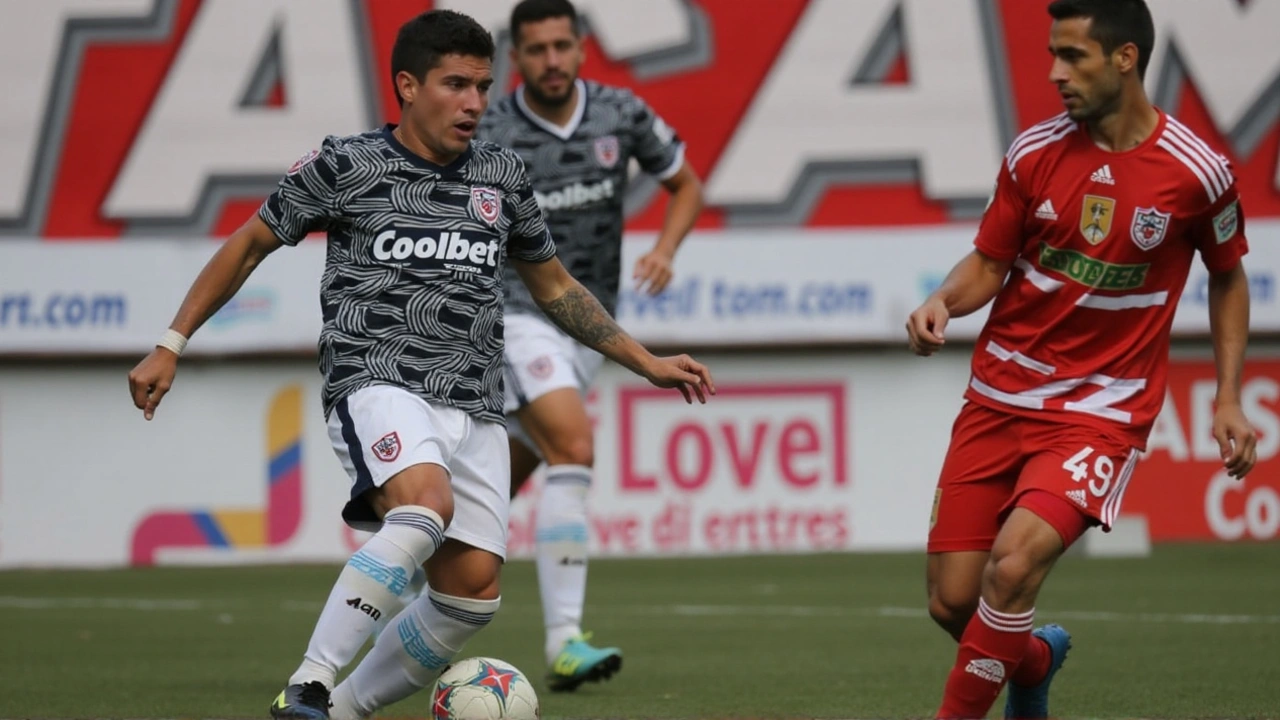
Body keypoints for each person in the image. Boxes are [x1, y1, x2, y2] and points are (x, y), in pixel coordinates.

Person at [126, 9, 714, 720]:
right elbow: (251, 244)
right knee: (423, 506)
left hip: (476, 403)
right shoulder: (347, 163)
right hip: (377, 378)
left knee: (470, 595)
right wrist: (172, 340)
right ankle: (309, 681)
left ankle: (335, 712)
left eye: (481, 86)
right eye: (455, 85)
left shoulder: (501, 174)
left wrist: (644, 360)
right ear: (407, 85)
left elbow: (553, 285)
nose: (473, 103)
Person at [904, 1, 1256, 718]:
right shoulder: (1033, 153)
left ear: (1125, 58)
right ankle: (1033, 662)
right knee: (954, 604)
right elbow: (988, 263)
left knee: (1013, 564)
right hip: (999, 395)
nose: (1055, 73)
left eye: (1074, 56)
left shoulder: (1198, 172)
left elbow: (1227, 275)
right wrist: (944, 299)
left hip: (1101, 410)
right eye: (1053, 55)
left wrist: (1226, 396)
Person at [476, 0, 705, 692]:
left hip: (588, 323)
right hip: (513, 314)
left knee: (479, 506)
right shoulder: (487, 128)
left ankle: (386, 603)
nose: (551, 60)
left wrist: (666, 248)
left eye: (561, 46)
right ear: (516, 58)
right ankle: (564, 641)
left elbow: (686, 185)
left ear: (581, 49)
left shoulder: (620, 114)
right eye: (536, 49)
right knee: (574, 447)